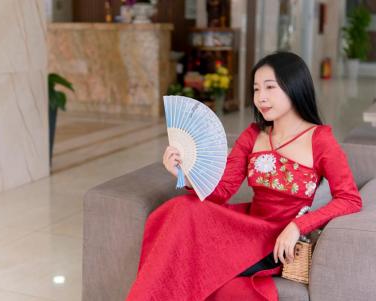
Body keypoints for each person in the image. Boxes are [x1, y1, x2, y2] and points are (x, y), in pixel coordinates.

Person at [126, 51, 362, 300]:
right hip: (244, 228)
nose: (261, 97)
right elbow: (223, 191)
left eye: (270, 87)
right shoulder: (253, 135)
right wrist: (183, 173)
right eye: (256, 89)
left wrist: (297, 226)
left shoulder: (320, 140)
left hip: (274, 240)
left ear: (294, 87)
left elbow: (349, 198)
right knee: (184, 208)